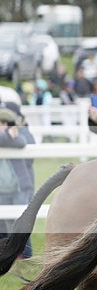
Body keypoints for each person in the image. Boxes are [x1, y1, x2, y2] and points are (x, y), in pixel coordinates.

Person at [0, 103, 35, 257]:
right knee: (5, 223)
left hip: (20, 188)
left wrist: (7, 138)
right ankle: (10, 255)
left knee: (21, 222)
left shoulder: (20, 134)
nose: (2, 126)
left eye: (5, 123)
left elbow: (21, 142)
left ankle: (25, 255)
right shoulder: (9, 137)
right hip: (3, 190)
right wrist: (7, 137)